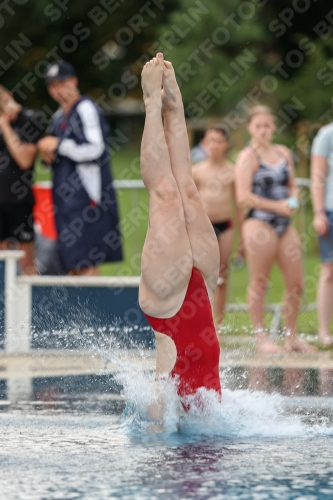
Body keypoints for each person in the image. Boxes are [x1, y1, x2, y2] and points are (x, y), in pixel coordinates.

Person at [139, 53, 221, 413]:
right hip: (191, 293)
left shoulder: (176, 422)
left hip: (170, 303)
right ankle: (158, 101)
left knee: (172, 193)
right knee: (181, 191)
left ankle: (163, 102)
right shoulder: (171, 419)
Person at [235, 105, 315, 353]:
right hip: (259, 223)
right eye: (258, 125)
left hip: (284, 224)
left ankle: (292, 336)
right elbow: (243, 197)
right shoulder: (247, 158)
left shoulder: (283, 153)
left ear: (274, 127)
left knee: (297, 282)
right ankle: (262, 338)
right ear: (250, 128)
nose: (263, 130)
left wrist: (293, 199)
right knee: (260, 282)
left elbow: (292, 184)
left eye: (267, 125)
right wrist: (276, 206)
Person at [37, 61, 122, 275]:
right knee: (71, 263)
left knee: (86, 261)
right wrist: (47, 153)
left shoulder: (85, 108)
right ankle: (79, 309)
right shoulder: (58, 116)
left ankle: (96, 309)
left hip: (86, 197)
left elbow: (96, 148)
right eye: (52, 85)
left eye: (62, 83)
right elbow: (56, 154)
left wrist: (60, 145)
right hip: (65, 200)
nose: (58, 89)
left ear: (73, 81)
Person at [193, 127, 244, 330]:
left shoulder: (232, 171)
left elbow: (239, 205)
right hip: (203, 228)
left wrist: (243, 238)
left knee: (222, 275)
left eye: (218, 140)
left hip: (225, 226)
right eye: (210, 140)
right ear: (204, 144)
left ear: (226, 144)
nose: (214, 145)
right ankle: (198, 322)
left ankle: (217, 325)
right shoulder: (196, 171)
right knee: (200, 275)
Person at [0, 85, 44, 274]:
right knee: (2, 264)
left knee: (26, 263)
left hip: (19, 202)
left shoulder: (31, 119)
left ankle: (33, 302)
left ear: (9, 96)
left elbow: (25, 160)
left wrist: (5, 126)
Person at [311, 122, 333, 346]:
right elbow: (317, 176)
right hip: (330, 210)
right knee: (329, 271)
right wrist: (318, 212)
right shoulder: (327, 134)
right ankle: (324, 331)